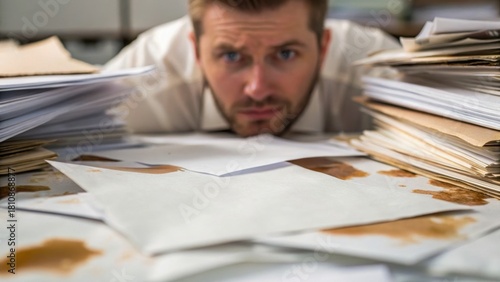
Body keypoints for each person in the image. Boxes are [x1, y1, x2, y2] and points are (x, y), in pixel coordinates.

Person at [105, 0, 399, 137]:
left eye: (285, 54)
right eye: (232, 56)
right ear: (194, 48)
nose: (257, 89)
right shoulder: (140, 79)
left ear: (323, 47)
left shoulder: (375, 69)